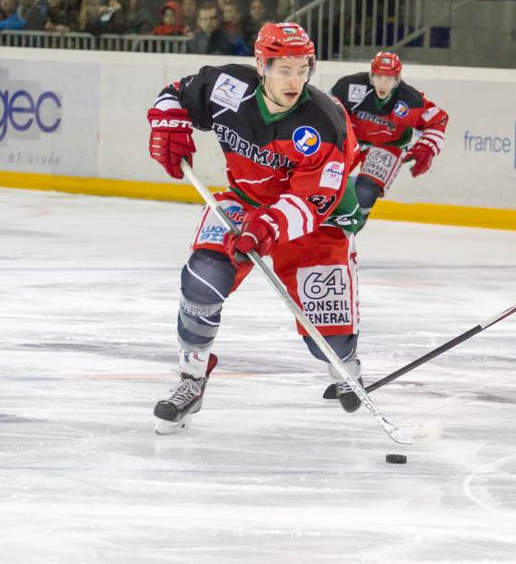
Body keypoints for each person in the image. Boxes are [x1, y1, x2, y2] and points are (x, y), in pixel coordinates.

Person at [146, 22, 365, 434]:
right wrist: (167, 121)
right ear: (262, 66)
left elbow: (314, 199)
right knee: (202, 281)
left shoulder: (325, 122)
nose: (295, 80)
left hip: (311, 222)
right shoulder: (227, 87)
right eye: (284, 70)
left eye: (302, 70)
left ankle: (346, 366)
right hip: (244, 203)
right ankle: (191, 379)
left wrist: (269, 226)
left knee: (330, 343)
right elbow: (175, 94)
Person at [328, 52, 448, 225]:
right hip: (352, 141)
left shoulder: (411, 100)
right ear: (371, 76)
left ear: (397, 79)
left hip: (389, 145)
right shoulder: (348, 87)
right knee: (328, 181)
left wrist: (427, 148)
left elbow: (438, 119)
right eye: (378, 77)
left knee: (366, 190)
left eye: (389, 78)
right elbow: (328, 113)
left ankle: (351, 227)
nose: (383, 83)